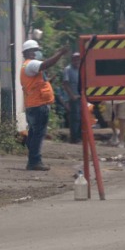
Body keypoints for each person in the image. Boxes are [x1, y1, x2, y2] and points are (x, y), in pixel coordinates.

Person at [21, 39, 68, 171]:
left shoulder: (26, 66)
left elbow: (36, 84)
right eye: (36, 50)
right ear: (29, 52)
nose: (38, 53)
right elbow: (46, 64)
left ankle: (32, 157)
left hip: (32, 104)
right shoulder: (31, 64)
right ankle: (34, 161)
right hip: (38, 105)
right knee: (38, 134)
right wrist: (60, 53)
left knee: (34, 133)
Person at [60, 52, 82, 144]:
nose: (77, 61)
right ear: (72, 60)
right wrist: (72, 96)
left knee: (82, 117)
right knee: (75, 118)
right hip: (73, 97)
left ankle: (80, 137)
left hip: (81, 97)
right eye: (75, 59)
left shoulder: (82, 69)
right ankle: (74, 138)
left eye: (78, 59)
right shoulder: (68, 69)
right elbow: (65, 84)